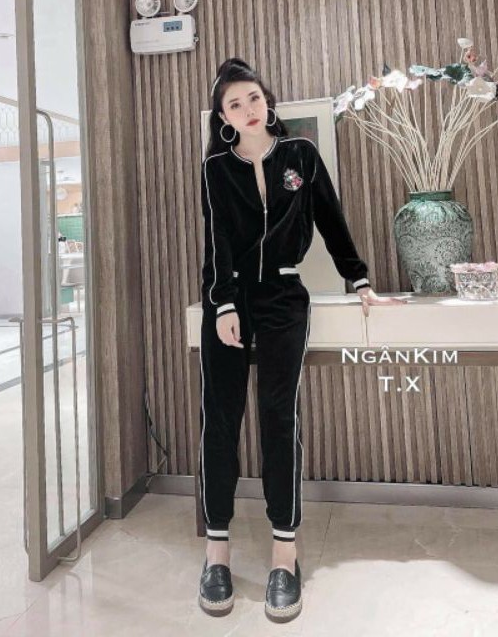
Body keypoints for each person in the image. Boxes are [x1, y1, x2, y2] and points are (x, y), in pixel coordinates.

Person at [197, 58, 406, 621]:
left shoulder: (301, 157)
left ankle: (283, 555)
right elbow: (217, 241)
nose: (248, 109)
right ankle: (216, 552)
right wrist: (222, 304)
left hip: (284, 296)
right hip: (230, 298)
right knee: (221, 417)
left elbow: (331, 219)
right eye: (235, 104)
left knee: (278, 416)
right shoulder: (216, 167)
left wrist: (359, 279)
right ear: (223, 117)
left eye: (253, 98)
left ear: (267, 101)